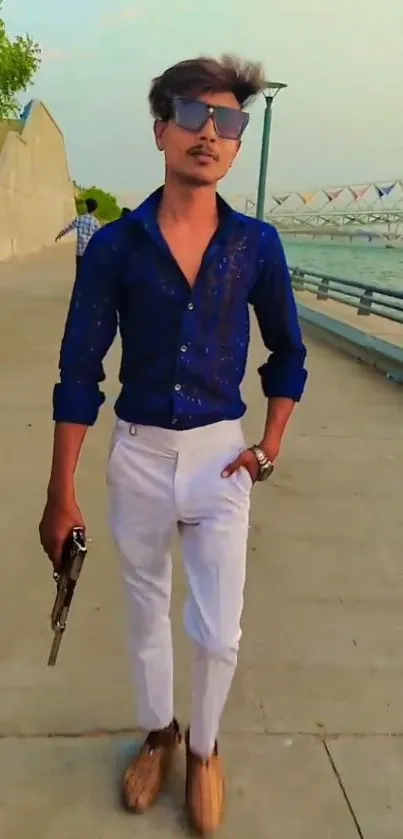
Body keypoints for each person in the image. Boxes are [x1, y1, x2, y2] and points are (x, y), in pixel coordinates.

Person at [39, 54, 308, 834]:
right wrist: (62, 489)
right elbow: (79, 367)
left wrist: (269, 445)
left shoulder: (255, 246)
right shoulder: (116, 248)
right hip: (140, 454)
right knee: (145, 609)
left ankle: (206, 748)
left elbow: (287, 351)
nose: (210, 135)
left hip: (222, 456)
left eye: (227, 123)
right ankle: (160, 731)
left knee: (219, 626)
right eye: (192, 116)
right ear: (160, 129)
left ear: (235, 141)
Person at [55, 197, 100, 276]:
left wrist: (60, 234)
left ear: (87, 207)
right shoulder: (95, 222)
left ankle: (77, 287)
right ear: (95, 209)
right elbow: (100, 236)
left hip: (79, 253)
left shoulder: (79, 218)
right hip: (89, 252)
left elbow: (69, 228)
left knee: (79, 273)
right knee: (88, 274)